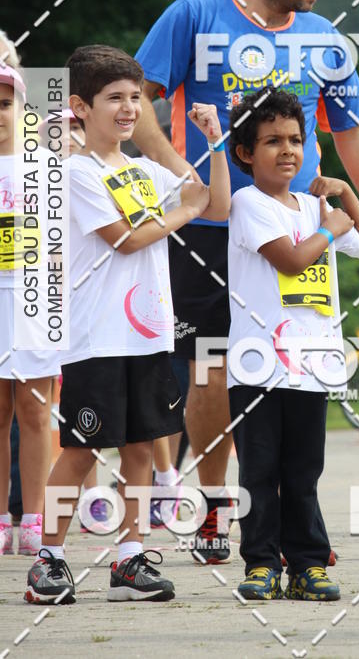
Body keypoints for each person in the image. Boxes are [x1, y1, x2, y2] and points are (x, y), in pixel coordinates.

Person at [132, 0, 359, 564]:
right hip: (208, 229)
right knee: (212, 371)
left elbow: (351, 132)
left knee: (295, 371)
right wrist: (182, 171)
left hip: (296, 228)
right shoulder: (194, 16)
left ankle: (293, 522)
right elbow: (137, 98)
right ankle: (218, 509)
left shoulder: (325, 39)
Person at [24, 45, 230, 604]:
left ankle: (130, 558)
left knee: (142, 446)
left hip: (149, 334)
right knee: (84, 448)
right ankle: (49, 559)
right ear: (79, 107)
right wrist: (183, 210)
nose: (128, 109)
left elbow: (214, 202)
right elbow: (128, 237)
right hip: (96, 336)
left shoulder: (143, 169)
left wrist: (213, 144)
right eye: (114, 98)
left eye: (135, 99)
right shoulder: (75, 173)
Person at [226, 88, 359, 600]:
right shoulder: (249, 203)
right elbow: (292, 261)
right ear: (247, 152)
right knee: (260, 470)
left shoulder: (314, 206)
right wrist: (333, 227)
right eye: (272, 141)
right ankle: (261, 563)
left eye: (296, 138)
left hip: (312, 368)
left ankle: (309, 563)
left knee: (303, 470)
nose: (288, 149)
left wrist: (344, 197)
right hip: (258, 368)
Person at [0, 47, 61, 557]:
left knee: (35, 412)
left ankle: (36, 518)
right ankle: (2, 519)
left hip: (35, 301)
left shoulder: (45, 166)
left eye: (5, 103)